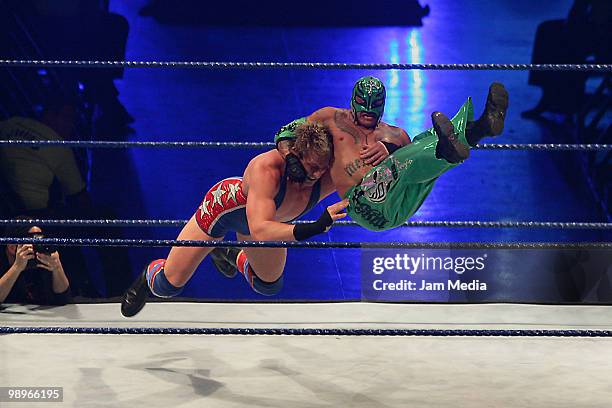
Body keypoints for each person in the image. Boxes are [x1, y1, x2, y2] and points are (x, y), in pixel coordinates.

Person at [121, 122, 347, 317]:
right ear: (295, 156)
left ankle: (230, 253)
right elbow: (260, 230)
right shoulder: (266, 169)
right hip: (225, 209)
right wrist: (315, 227)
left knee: (268, 285)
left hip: (265, 221)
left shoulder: (327, 176)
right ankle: (148, 274)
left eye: (323, 168)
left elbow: (365, 170)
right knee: (167, 285)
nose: (317, 174)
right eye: (313, 167)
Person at [273, 76, 509, 231]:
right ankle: (452, 147)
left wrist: (393, 148)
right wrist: (290, 158)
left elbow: (411, 162)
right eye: (362, 103)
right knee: (418, 155)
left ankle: (480, 128)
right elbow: (286, 132)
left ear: (382, 105)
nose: (367, 110)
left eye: (373, 105)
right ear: (353, 101)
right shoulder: (331, 118)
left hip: (402, 204)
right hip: (364, 205)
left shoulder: (395, 134)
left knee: (423, 144)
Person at [0, 217, 71, 305]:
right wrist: (17, 267)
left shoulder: (41, 256)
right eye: (32, 239)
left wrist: (57, 267)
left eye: (39, 237)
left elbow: (63, 298)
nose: (37, 243)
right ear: (12, 247)